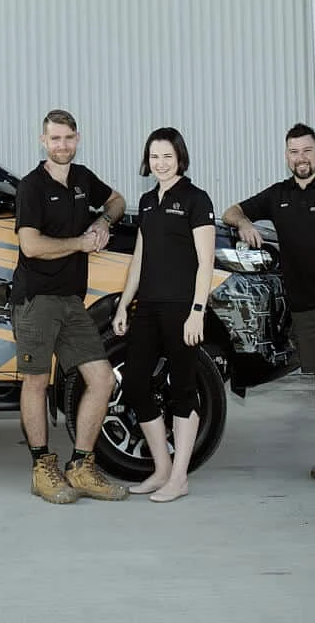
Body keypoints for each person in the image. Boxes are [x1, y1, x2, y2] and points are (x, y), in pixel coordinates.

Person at [223, 124, 315, 491]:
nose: (300, 158)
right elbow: (232, 210)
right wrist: (243, 223)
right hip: (302, 307)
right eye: (293, 152)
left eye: (306, 151)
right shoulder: (278, 195)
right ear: (286, 155)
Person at [12, 109, 129, 503]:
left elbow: (116, 200)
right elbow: (30, 245)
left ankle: (80, 465)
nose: (62, 145)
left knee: (102, 378)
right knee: (35, 380)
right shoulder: (31, 187)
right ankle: (42, 468)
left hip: (72, 300)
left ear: (77, 138)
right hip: (37, 299)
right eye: (55, 139)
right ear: (43, 142)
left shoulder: (83, 179)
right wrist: (79, 244)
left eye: (68, 138)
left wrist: (104, 223)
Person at [110, 127, 216, 502]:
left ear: (180, 158)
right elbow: (140, 259)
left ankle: (180, 477)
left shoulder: (195, 199)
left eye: (167, 156)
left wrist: (197, 312)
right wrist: (124, 304)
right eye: (154, 156)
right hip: (148, 307)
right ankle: (162, 469)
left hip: (182, 308)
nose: (160, 163)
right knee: (137, 383)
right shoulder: (148, 201)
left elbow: (206, 263)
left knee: (183, 390)